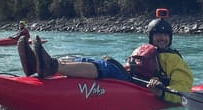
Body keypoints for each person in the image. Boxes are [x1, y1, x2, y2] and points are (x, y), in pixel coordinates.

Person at [17, 16, 193, 104]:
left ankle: (52, 66)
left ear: (170, 38)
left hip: (141, 87)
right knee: (87, 59)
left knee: (107, 67)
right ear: (150, 37)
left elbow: (184, 89)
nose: (161, 38)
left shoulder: (174, 59)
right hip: (129, 78)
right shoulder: (146, 50)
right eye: (157, 35)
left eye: (164, 35)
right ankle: (40, 64)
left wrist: (162, 91)